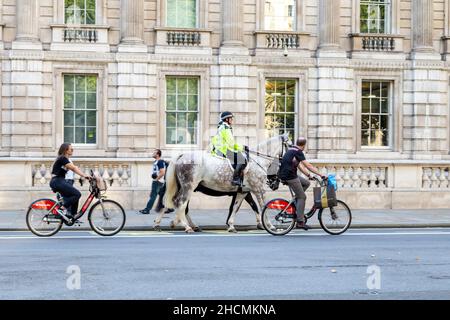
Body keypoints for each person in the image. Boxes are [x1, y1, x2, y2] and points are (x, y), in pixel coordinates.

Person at [278, 137, 326, 230]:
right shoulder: (298, 151)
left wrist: (308, 175)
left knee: (306, 183)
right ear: (304, 145)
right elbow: (308, 165)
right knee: (302, 197)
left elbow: (299, 165)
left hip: (286, 174)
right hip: (289, 176)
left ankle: (297, 202)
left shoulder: (292, 149)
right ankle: (300, 222)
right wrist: (321, 175)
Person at [49, 143, 91, 219]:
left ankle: (73, 216)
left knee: (74, 194)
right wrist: (84, 175)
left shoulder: (65, 159)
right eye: (71, 149)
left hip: (59, 181)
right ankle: (62, 208)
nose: (72, 150)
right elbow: (73, 168)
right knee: (77, 194)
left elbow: (73, 167)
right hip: (57, 181)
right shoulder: (62, 158)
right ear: (65, 150)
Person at [211, 111, 248, 186]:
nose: (232, 120)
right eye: (231, 118)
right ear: (226, 119)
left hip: (220, 149)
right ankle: (236, 179)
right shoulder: (226, 128)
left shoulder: (223, 126)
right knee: (242, 159)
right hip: (223, 150)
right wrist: (242, 147)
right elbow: (231, 144)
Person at [139, 149, 166, 215]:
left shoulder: (159, 162)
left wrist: (156, 179)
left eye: (154, 153)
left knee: (153, 196)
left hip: (157, 181)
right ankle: (169, 208)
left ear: (157, 154)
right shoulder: (156, 162)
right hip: (159, 181)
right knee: (162, 195)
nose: (153, 153)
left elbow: (162, 172)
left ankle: (147, 210)